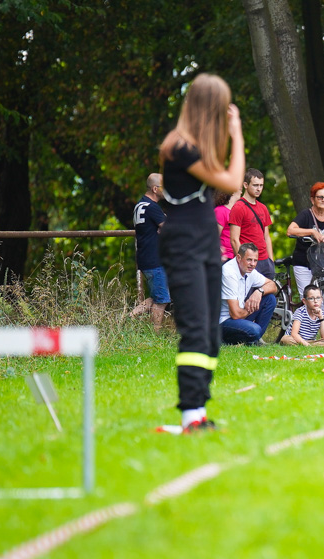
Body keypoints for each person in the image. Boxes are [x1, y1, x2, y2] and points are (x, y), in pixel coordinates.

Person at [158, 73, 245, 433]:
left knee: (211, 330)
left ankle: (201, 413)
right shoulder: (179, 146)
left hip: (206, 241)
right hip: (183, 244)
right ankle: (190, 414)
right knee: (195, 329)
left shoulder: (196, 147)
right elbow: (231, 182)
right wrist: (237, 133)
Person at [286, 182, 324, 298]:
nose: (323, 200)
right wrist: (312, 231)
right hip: (304, 262)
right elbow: (290, 230)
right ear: (312, 199)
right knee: (308, 298)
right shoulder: (306, 214)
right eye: (320, 197)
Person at [130, 173, 170, 331]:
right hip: (155, 259)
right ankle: (155, 334)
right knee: (161, 300)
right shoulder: (153, 207)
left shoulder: (140, 204)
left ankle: (130, 317)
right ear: (155, 189)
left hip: (145, 257)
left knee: (157, 295)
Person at [220, 243, 277, 345]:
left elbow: (273, 286)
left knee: (270, 299)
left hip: (240, 315)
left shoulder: (249, 270)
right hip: (223, 322)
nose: (253, 264)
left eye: (255, 260)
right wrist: (250, 308)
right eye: (249, 260)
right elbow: (235, 314)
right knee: (254, 330)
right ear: (238, 258)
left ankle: (254, 340)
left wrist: (259, 292)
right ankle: (224, 340)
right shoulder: (229, 273)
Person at [229, 168, 274, 279]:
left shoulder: (263, 208)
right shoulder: (238, 207)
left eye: (261, 185)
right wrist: (243, 262)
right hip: (249, 261)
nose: (259, 189)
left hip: (265, 260)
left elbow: (266, 237)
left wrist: (271, 261)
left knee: (270, 294)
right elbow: (234, 239)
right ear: (245, 185)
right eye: (255, 185)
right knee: (250, 296)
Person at [214, 186, 241, 262]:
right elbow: (214, 236)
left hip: (236, 257)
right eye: (239, 188)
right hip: (225, 258)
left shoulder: (237, 212)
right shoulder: (220, 211)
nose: (241, 191)